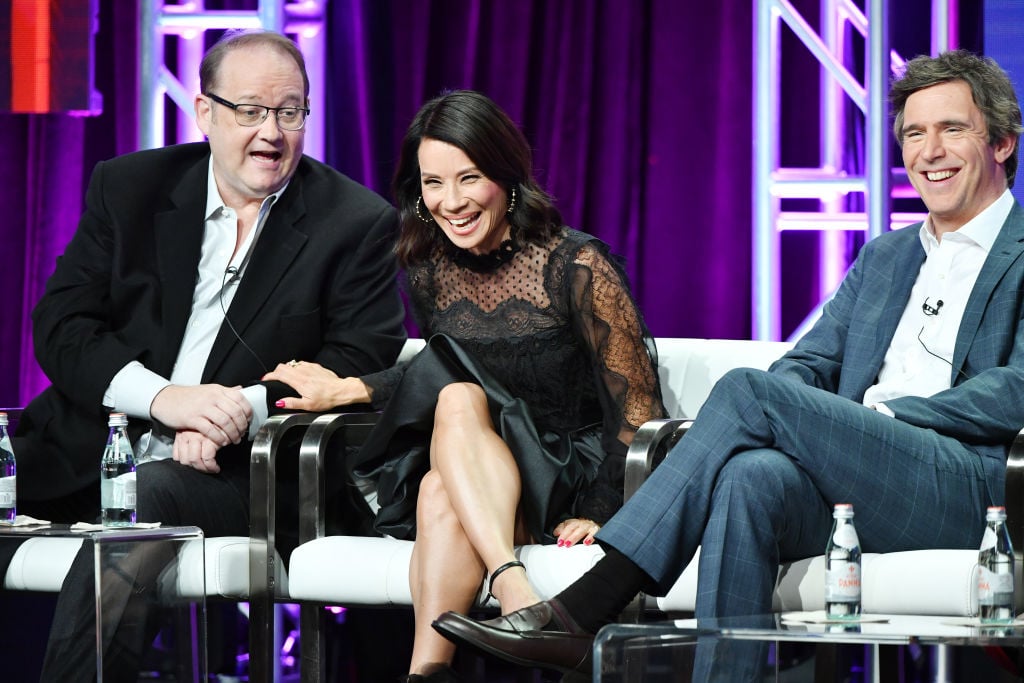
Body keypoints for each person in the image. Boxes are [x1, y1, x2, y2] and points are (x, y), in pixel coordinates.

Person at [432, 49, 1024, 681]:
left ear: (1003, 142)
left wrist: (878, 416)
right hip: (861, 474)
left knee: (749, 392)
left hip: (972, 484)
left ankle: (588, 606)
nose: (929, 150)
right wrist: (815, 421)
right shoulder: (886, 258)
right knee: (752, 475)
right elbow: (809, 362)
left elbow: (1014, 390)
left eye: (951, 129)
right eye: (913, 133)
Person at [8, 29, 406, 681]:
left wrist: (235, 414)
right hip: (89, 444)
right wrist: (168, 401)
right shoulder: (130, 186)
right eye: (249, 110)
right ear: (205, 112)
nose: (271, 133)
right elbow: (62, 324)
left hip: (236, 475)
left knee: (143, 499)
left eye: (290, 111)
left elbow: (358, 361)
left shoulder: (353, 223)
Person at [262, 89, 666, 681]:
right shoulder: (430, 267)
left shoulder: (575, 267)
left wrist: (606, 510)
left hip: (565, 478)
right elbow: (449, 365)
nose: (451, 203)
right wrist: (349, 389)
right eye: (432, 183)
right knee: (445, 456)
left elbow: (637, 408)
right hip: (484, 472)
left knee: (444, 456)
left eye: (468, 178)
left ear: (506, 177)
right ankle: (489, 620)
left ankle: (463, 631)